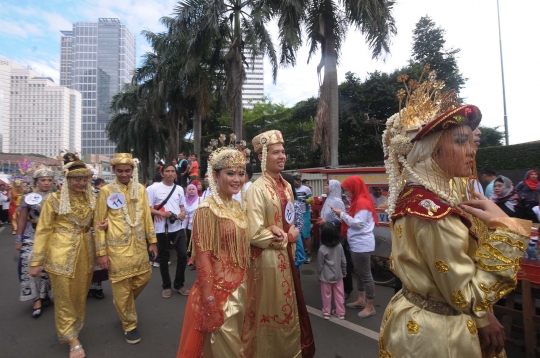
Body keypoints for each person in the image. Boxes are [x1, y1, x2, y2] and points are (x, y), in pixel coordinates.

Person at [378, 71, 531, 357]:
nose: (472, 151)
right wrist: (508, 228)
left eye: (472, 142)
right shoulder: (434, 211)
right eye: (461, 141)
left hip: (423, 319)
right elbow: (470, 297)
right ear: (431, 151)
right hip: (441, 336)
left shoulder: (424, 196)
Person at [241, 130, 315, 358]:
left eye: (283, 151)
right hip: (268, 262)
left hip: (290, 255)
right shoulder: (256, 190)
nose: (282, 156)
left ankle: (291, 351)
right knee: (271, 310)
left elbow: (295, 218)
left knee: (291, 306)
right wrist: (283, 238)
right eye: (276, 152)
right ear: (264, 157)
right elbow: (254, 233)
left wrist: (294, 232)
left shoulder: (287, 186)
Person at [177, 147, 250, 357]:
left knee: (242, 347)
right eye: (230, 173)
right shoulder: (207, 210)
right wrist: (210, 303)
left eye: (240, 173)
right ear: (215, 176)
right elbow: (203, 260)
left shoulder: (237, 206)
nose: (237, 179)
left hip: (242, 289)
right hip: (219, 295)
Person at [29, 154, 101, 358]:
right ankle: (71, 339)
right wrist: (36, 261)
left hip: (86, 254)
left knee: (79, 296)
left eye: (85, 178)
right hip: (60, 255)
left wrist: (102, 225)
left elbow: (99, 223)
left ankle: (73, 329)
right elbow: (43, 230)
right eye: (76, 179)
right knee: (64, 298)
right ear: (67, 179)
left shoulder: (92, 199)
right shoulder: (54, 200)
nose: (81, 183)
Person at [94, 153, 158, 344]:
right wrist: (101, 252)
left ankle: (123, 304)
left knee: (144, 276)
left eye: (127, 170)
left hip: (138, 245)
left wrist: (152, 241)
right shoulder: (106, 191)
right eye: (120, 171)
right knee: (121, 287)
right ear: (114, 171)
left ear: (133, 171)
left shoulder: (140, 189)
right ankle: (129, 325)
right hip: (116, 247)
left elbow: (146, 216)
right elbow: (99, 222)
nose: (124, 174)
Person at [331, 176, 378, 319]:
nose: (346, 193)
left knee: (365, 275)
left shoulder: (361, 203)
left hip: (362, 244)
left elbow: (357, 223)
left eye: (347, 190)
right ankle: (361, 299)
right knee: (359, 273)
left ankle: (370, 306)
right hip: (357, 243)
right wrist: (341, 214)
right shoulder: (358, 201)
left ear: (354, 189)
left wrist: (341, 214)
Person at [15, 165, 54, 318]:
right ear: (36, 181)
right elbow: (22, 218)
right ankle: (35, 299)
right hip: (31, 235)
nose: (46, 183)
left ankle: (45, 295)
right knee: (27, 265)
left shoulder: (56, 198)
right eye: (43, 180)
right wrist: (18, 238)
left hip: (51, 237)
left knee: (48, 268)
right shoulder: (28, 198)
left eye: (49, 180)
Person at [146, 163, 189, 298]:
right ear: (162, 172)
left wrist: (182, 213)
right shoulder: (153, 188)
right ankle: (166, 286)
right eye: (167, 171)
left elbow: (182, 206)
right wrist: (162, 214)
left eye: (173, 171)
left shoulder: (179, 189)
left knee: (183, 255)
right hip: (161, 229)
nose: (170, 173)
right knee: (164, 258)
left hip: (178, 227)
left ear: (176, 174)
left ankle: (179, 284)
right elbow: (147, 208)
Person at [317, 222, 347, 320]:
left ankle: (326, 312)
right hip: (338, 275)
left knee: (326, 295)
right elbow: (343, 260)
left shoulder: (322, 249)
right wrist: (344, 270)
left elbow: (320, 264)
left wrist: (318, 274)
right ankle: (340, 312)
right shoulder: (339, 246)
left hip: (325, 277)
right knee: (339, 295)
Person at [89, 177, 109, 299]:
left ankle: (97, 287)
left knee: (98, 258)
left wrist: (107, 221)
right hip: (82, 232)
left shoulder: (100, 193)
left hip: (97, 228)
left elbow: (110, 211)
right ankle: (85, 287)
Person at [282, 173, 307, 273]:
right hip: (282, 245)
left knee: (294, 274)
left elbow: (300, 226)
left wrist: (291, 234)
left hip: (292, 245)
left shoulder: (295, 204)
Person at [294, 173, 314, 263]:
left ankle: (309, 254)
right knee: (299, 236)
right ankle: (301, 254)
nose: (297, 182)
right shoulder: (291, 189)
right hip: (295, 214)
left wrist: (303, 200)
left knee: (306, 235)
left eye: (298, 180)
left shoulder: (306, 189)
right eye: (295, 180)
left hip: (305, 213)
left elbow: (312, 200)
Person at [183, 184, 201, 269]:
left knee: (197, 242)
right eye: (189, 189)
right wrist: (184, 227)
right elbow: (185, 214)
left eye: (193, 189)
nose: (191, 191)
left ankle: (198, 260)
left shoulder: (199, 200)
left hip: (198, 225)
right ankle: (191, 258)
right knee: (189, 242)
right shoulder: (185, 201)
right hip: (189, 226)